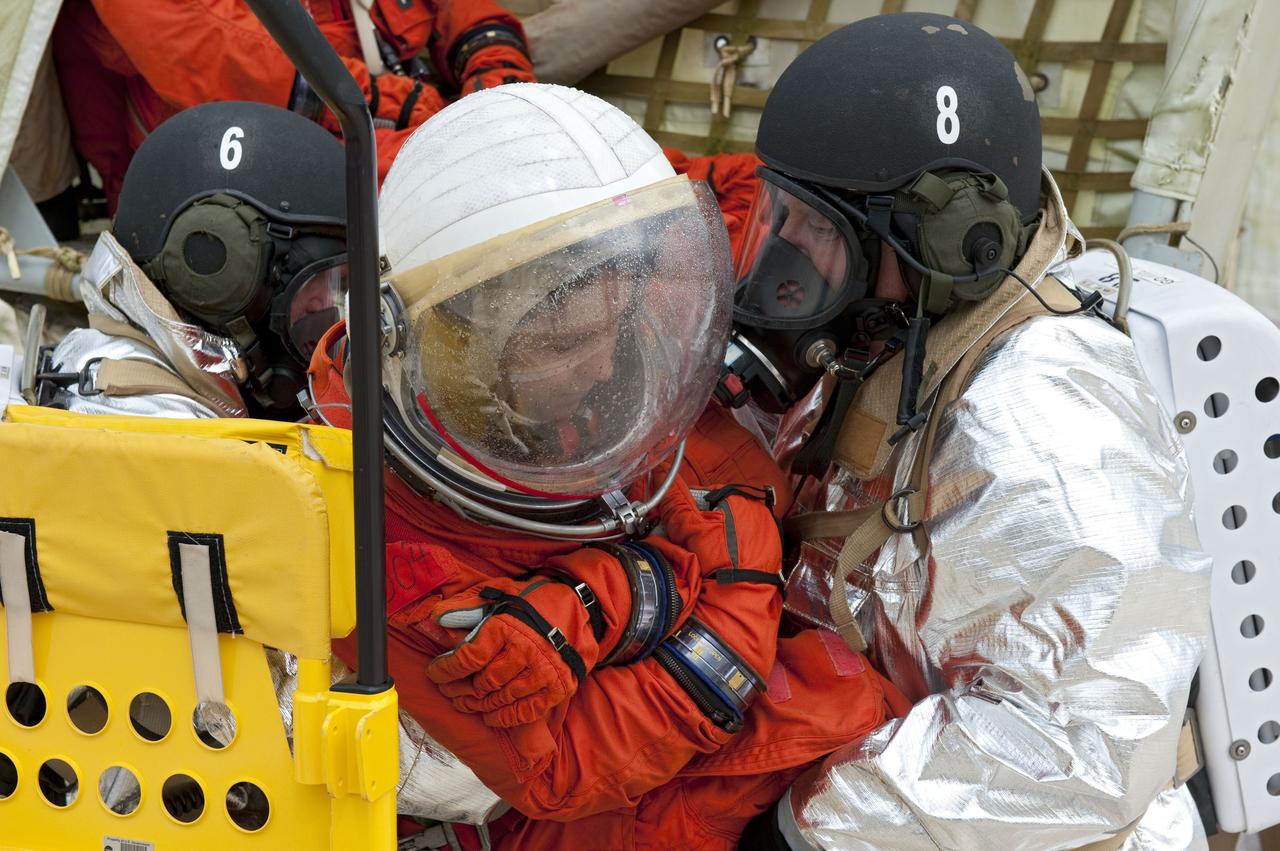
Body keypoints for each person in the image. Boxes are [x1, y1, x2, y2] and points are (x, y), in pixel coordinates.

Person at [307, 82, 906, 849]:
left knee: (853, 708)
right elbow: (564, 770)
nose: (601, 369)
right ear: (445, 345)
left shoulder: (606, 380)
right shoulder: (379, 545)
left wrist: (623, 591)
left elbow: (737, 476)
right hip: (551, 816)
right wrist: (723, 586)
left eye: (617, 326)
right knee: (837, 705)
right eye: (560, 345)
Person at [727, 14, 1212, 850]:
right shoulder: (888, 339)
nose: (787, 248)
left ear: (948, 239)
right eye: (784, 212)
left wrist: (807, 829)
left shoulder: (1048, 414)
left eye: (816, 225)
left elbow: (1082, 744)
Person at [52, 0, 536, 212]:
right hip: (238, 186)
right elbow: (210, 55)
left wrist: (497, 106)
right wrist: (415, 111)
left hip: (401, 155)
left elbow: (478, 24)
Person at [40, 100, 348, 419]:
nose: (327, 307)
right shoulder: (159, 432)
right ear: (218, 278)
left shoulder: (182, 394)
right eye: (321, 284)